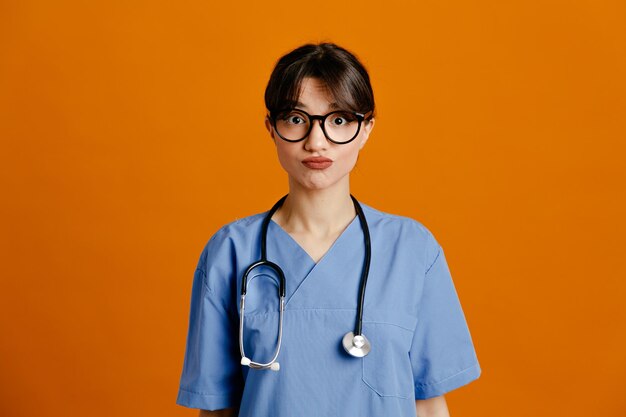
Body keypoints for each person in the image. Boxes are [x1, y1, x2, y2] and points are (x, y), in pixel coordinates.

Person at [176, 42, 481, 417]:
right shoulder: (230, 252)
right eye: (296, 119)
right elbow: (216, 410)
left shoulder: (413, 250)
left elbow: (430, 404)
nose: (316, 142)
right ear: (271, 128)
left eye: (338, 120)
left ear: (366, 128)